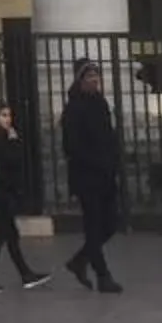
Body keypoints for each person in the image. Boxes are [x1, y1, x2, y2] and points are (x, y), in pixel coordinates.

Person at [56, 60, 126, 294]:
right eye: (89, 77)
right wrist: (96, 161)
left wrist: (114, 160)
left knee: (111, 224)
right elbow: (71, 147)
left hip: (106, 175)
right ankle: (103, 275)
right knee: (94, 227)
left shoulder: (101, 104)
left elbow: (109, 135)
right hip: (87, 177)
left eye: (97, 76)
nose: (95, 81)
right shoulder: (73, 109)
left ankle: (79, 260)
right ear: (79, 80)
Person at [0, 102, 48, 294]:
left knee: (10, 235)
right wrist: (13, 141)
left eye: (9, 115)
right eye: (4, 115)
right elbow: (10, 160)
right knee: (0, 235)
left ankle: (25, 274)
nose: (8, 119)